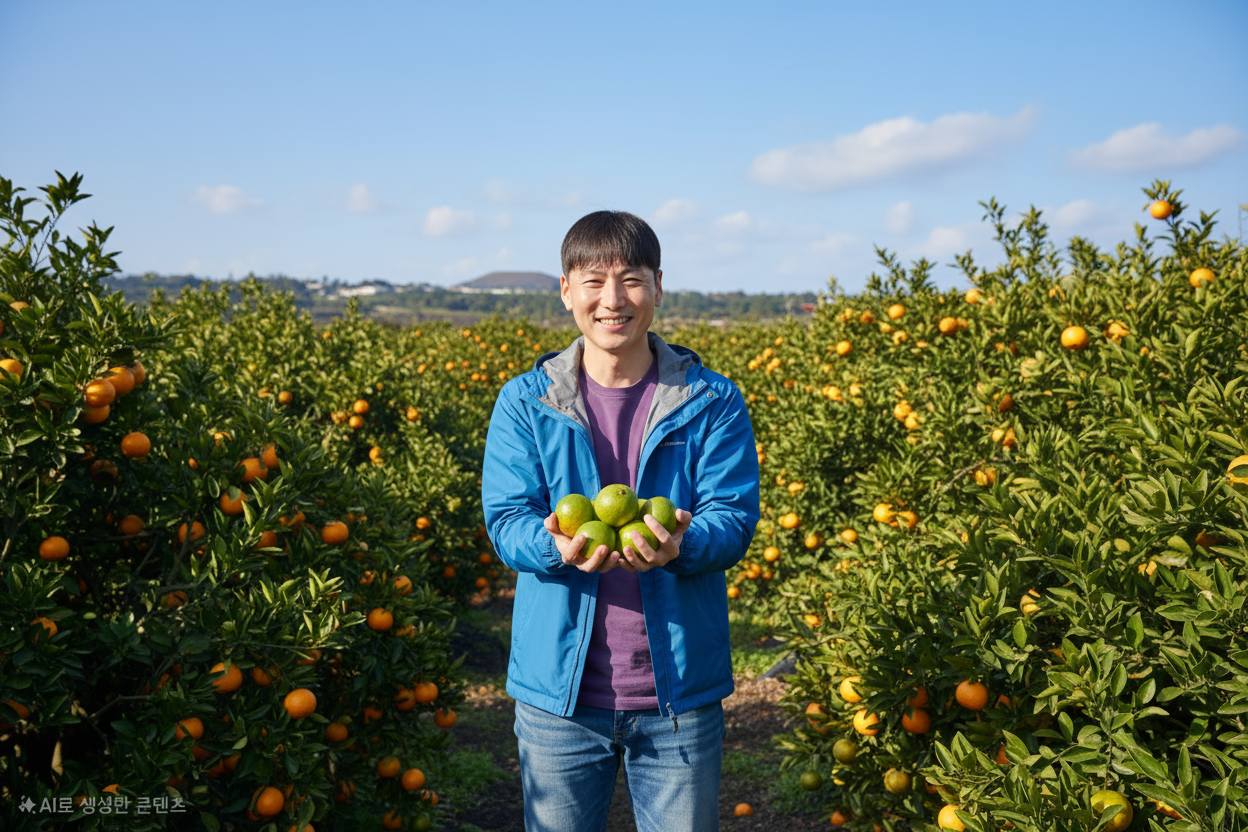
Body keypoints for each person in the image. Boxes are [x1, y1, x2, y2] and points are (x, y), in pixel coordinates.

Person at [481, 210, 760, 832]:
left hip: (678, 696)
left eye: (631, 280)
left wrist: (682, 545)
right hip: (559, 698)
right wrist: (556, 545)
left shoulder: (711, 401)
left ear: (658, 287)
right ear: (565, 290)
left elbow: (733, 517)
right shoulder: (526, 402)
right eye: (593, 280)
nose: (613, 300)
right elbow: (507, 522)